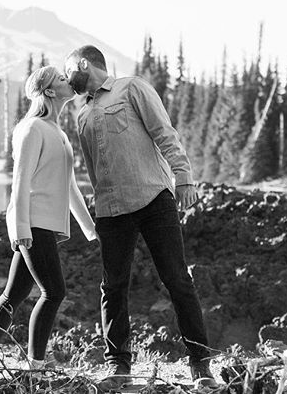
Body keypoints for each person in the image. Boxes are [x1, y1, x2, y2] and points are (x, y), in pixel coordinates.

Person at [64, 45, 218, 390]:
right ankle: (118, 365)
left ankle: (201, 365)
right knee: (112, 287)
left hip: (153, 199)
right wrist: (96, 211)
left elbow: (164, 132)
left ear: (83, 64)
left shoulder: (132, 88)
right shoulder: (82, 114)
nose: (66, 78)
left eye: (68, 70)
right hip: (111, 211)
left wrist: (184, 177)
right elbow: (91, 167)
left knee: (177, 279)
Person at [0, 66, 97, 380]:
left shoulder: (58, 132)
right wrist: (20, 230)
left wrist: (91, 229)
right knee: (54, 292)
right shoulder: (31, 128)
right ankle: (35, 369)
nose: (68, 80)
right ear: (49, 91)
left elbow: (71, 186)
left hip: (44, 224)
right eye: (61, 79)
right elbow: (19, 182)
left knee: (14, 294)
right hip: (33, 223)